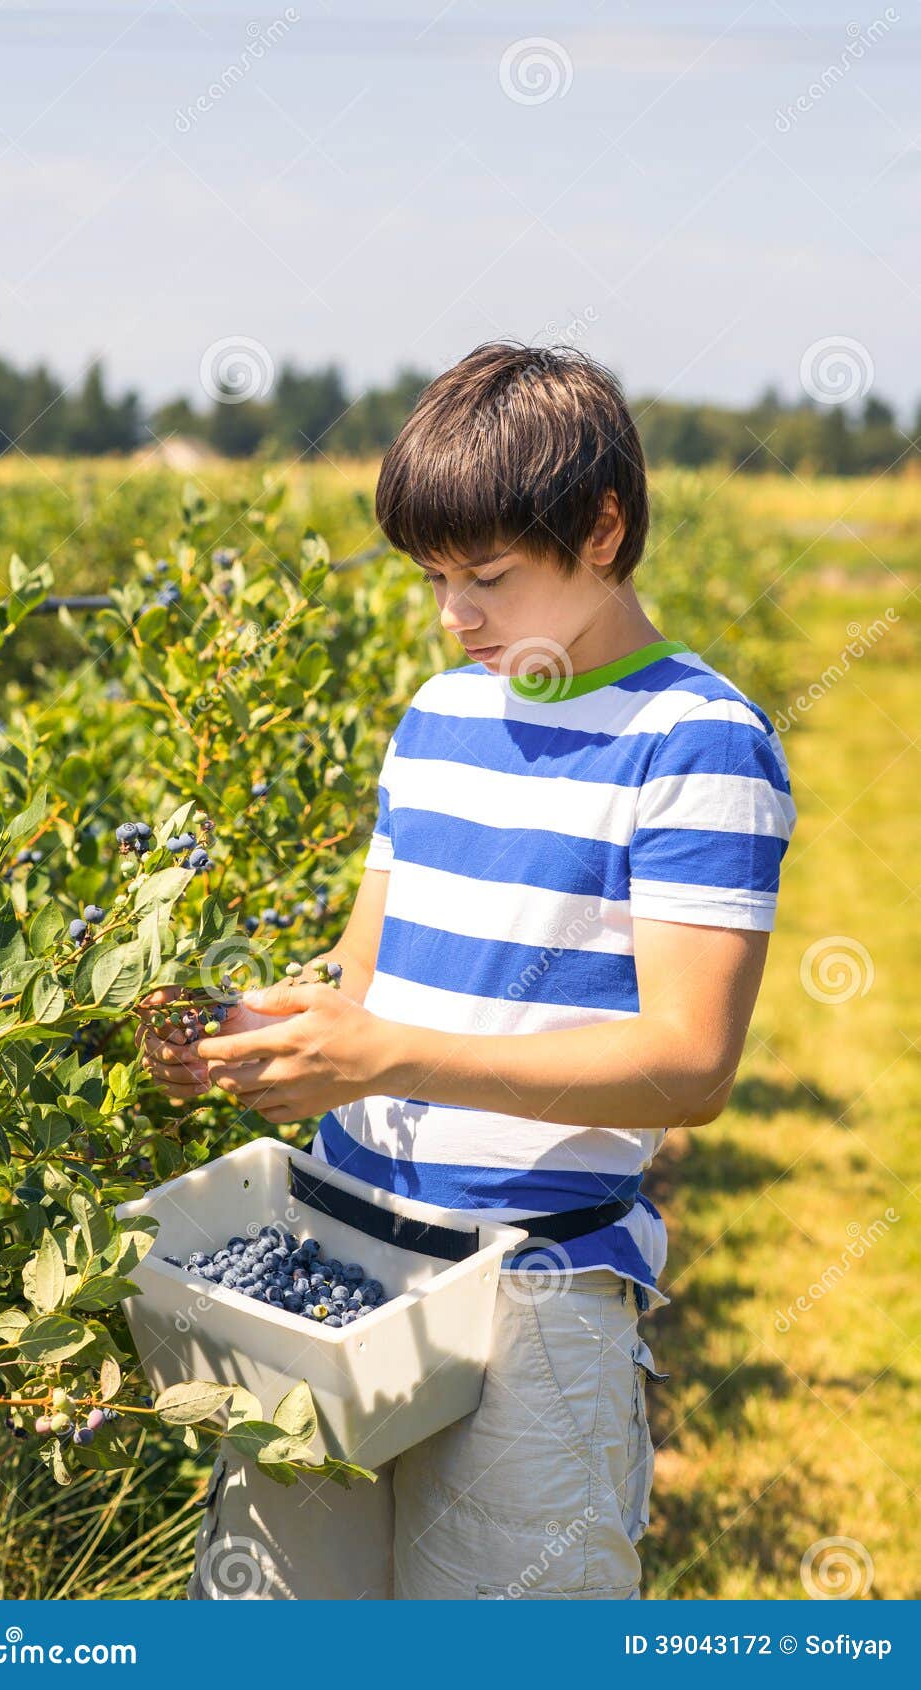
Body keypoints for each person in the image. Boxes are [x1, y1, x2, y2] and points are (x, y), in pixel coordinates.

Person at [135, 342, 797, 1600]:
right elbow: (368, 975)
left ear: (603, 530)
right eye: (437, 577)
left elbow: (687, 1062)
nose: (455, 614)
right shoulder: (438, 716)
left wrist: (393, 1053)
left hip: (530, 1297)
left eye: (487, 576)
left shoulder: (696, 742)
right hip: (333, 1271)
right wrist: (259, 1027)